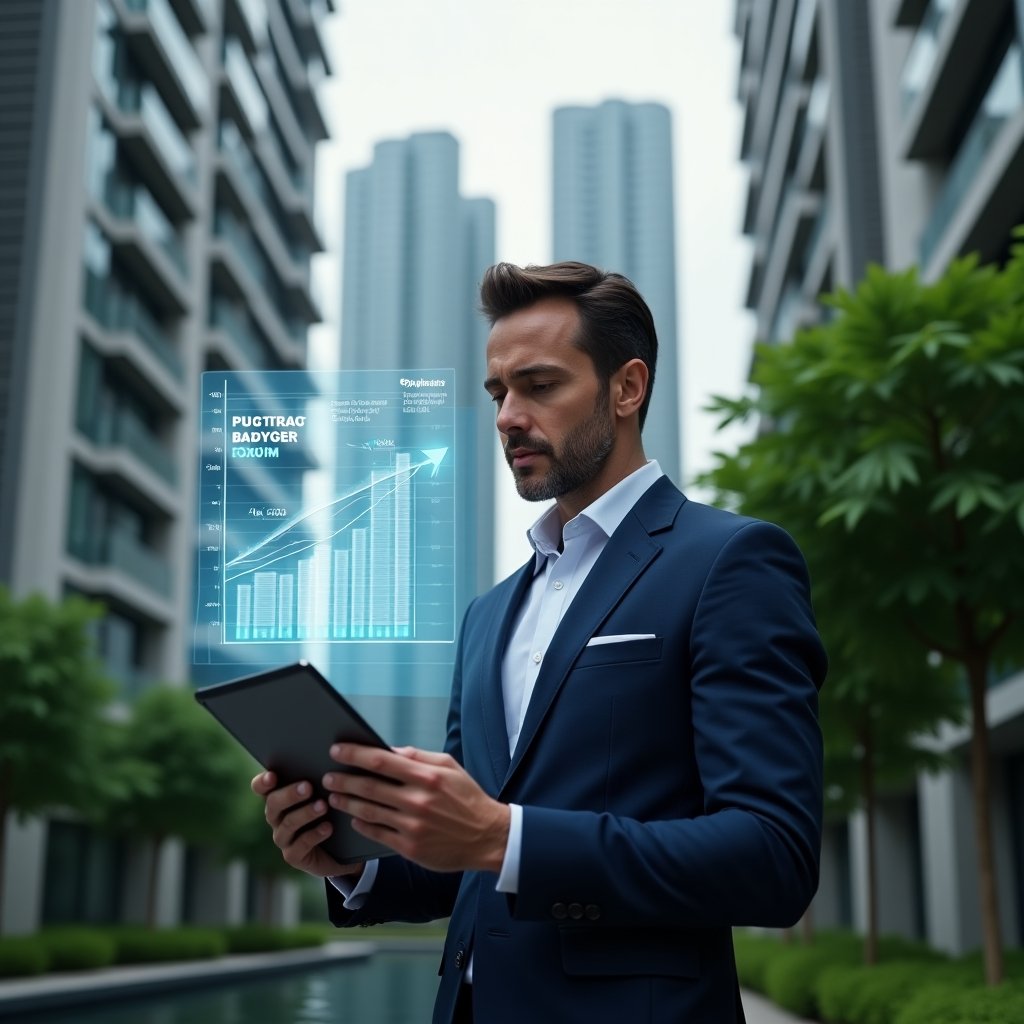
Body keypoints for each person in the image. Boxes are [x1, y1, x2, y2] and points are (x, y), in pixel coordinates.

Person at [254, 261, 827, 1023]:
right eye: (498, 393)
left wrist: (504, 835)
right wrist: (351, 861)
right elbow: (468, 866)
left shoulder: (730, 561)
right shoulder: (489, 613)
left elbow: (772, 857)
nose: (506, 416)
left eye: (540, 386)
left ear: (628, 388)